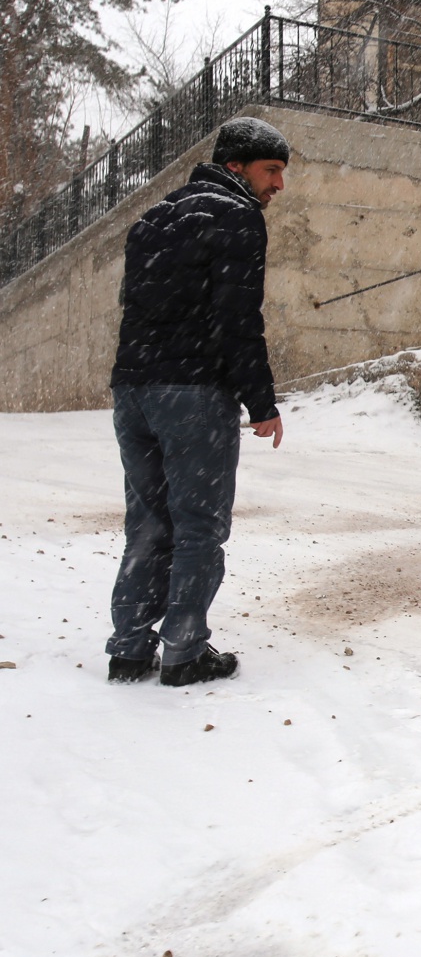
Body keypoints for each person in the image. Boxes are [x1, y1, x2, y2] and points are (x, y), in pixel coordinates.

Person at [105, 117, 289, 686]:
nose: (279, 185)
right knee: (198, 526)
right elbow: (237, 318)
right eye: (272, 171)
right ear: (236, 166)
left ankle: (130, 648)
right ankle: (184, 651)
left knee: (148, 524)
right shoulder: (236, 216)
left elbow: (137, 309)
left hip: (133, 391)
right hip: (193, 394)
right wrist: (260, 401)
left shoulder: (151, 220)